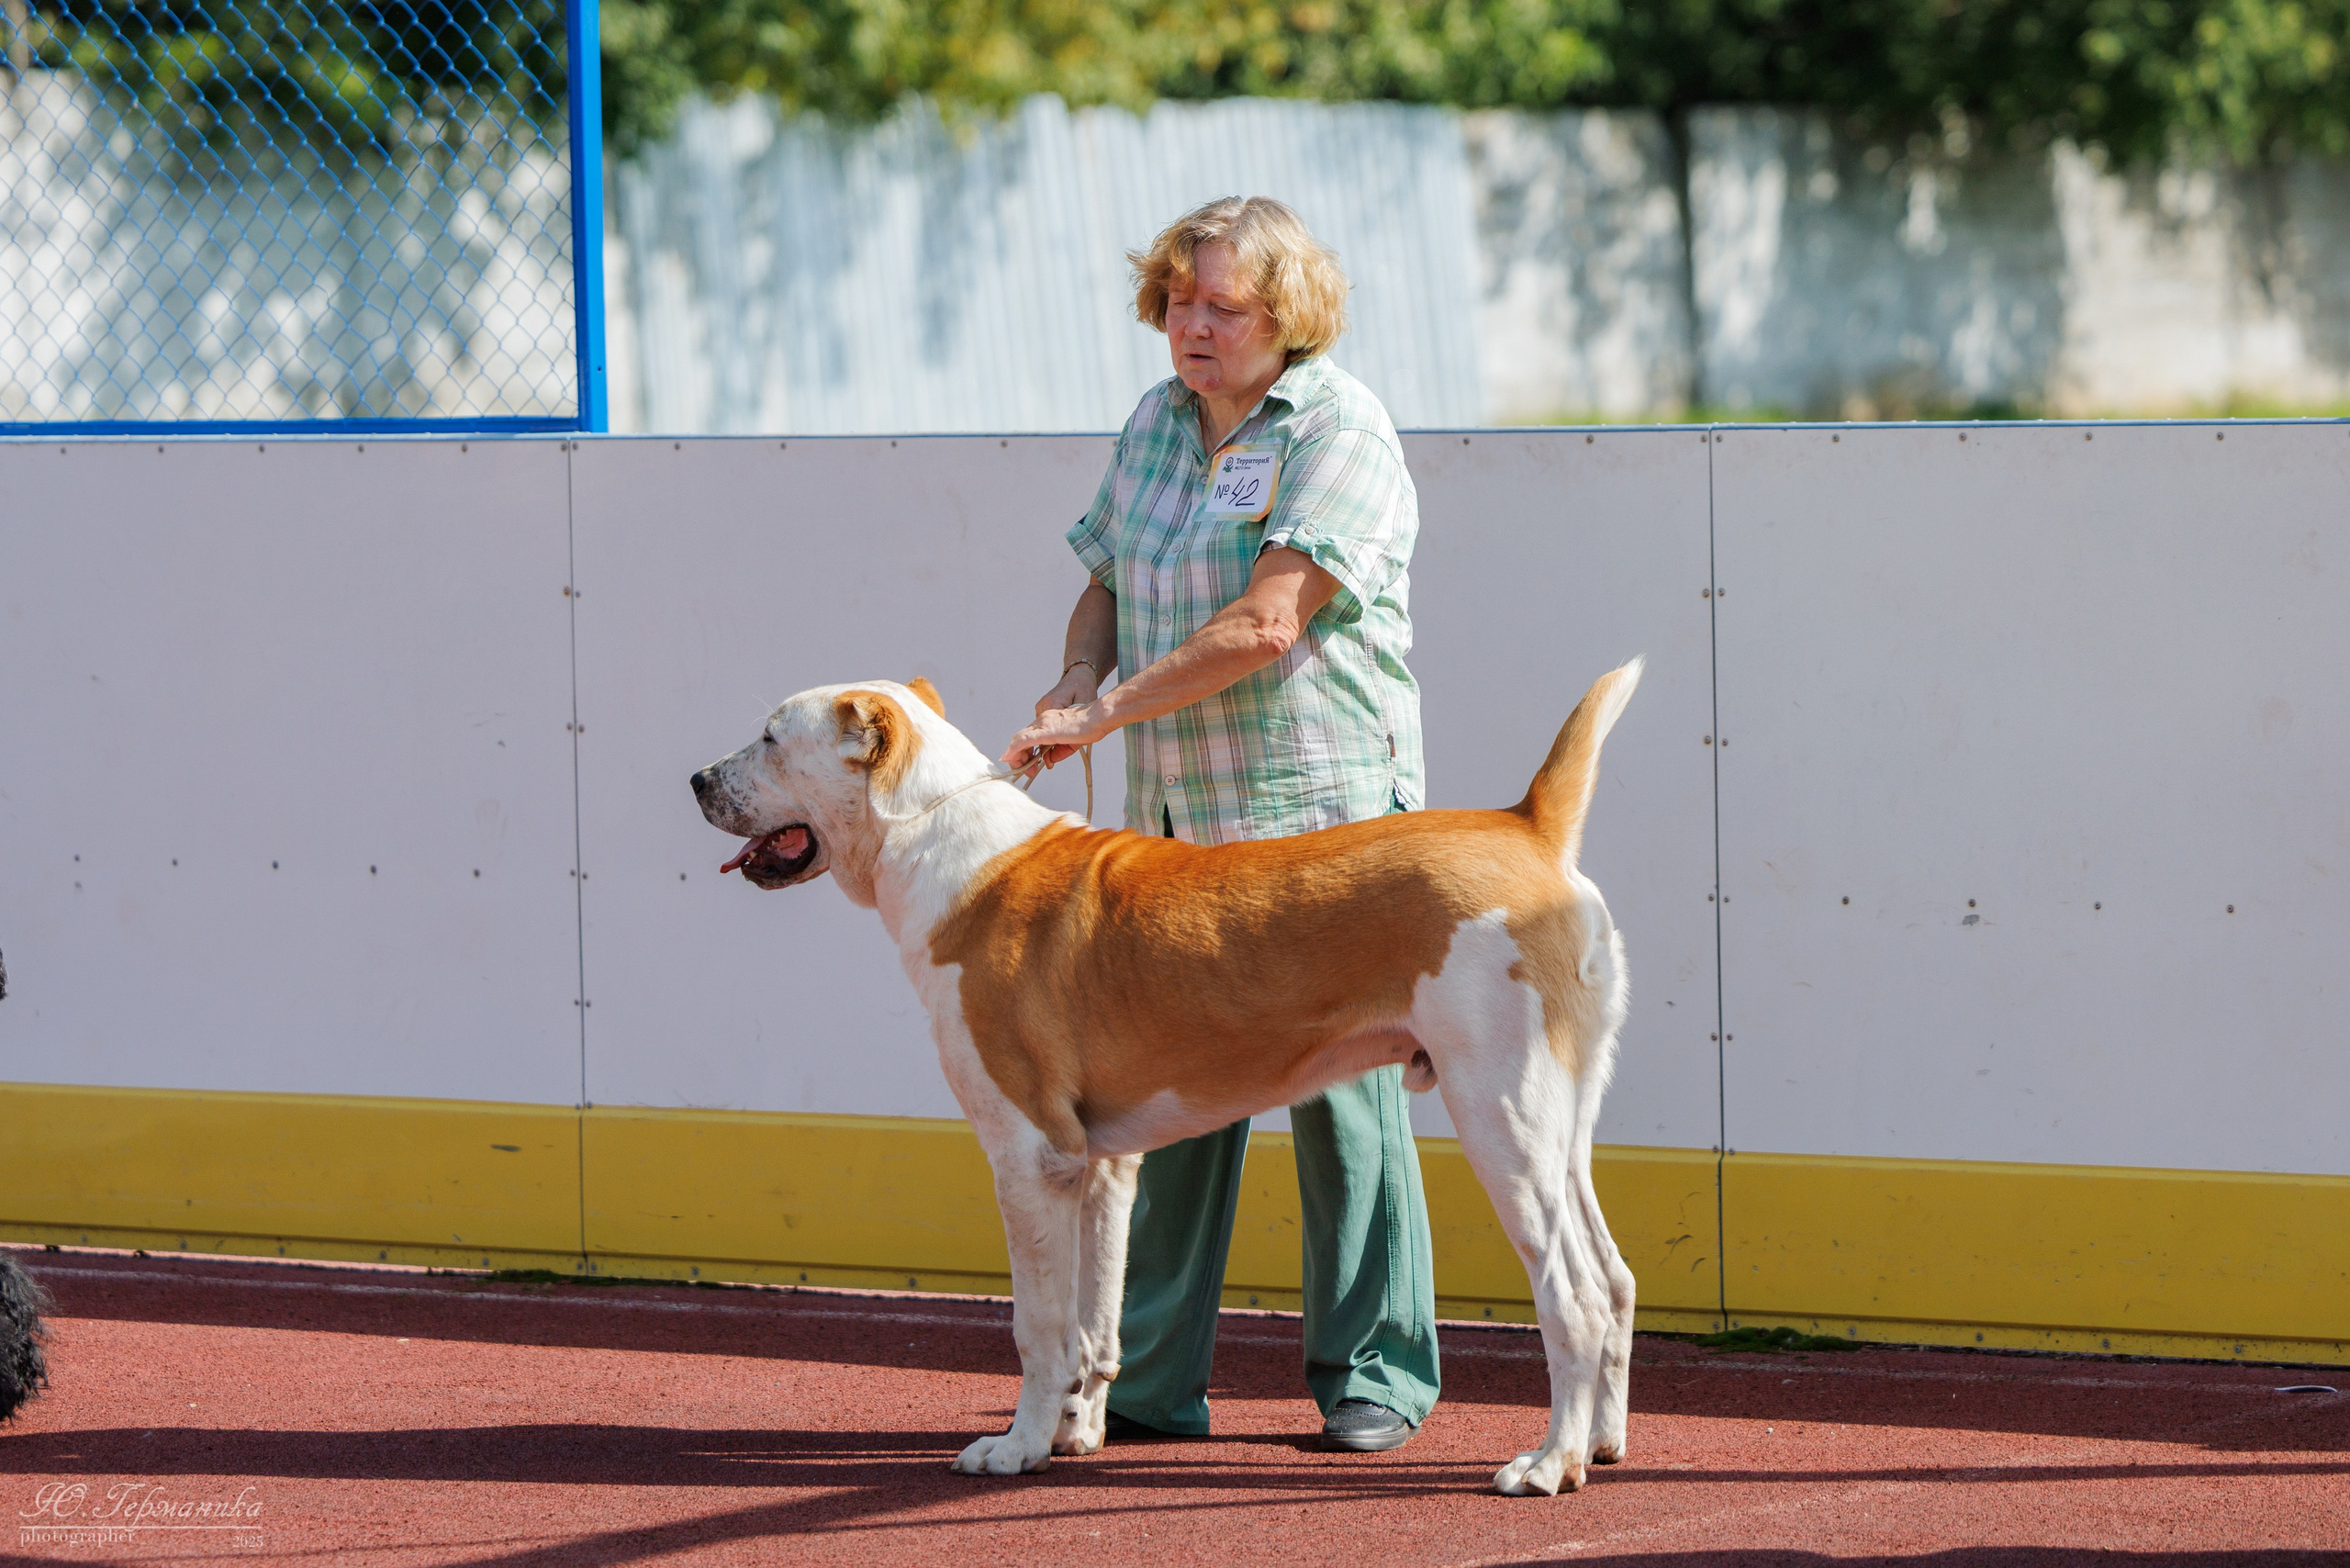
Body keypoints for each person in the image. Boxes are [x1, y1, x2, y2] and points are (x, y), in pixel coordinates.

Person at [1001, 196, 1438, 1453]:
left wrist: (1109, 709)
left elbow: (1268, 625)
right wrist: (1080, 678)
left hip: (1323, 820)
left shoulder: (1339, 424)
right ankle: (1142, 1381)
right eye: (1181, 300)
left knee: (1346, 1091)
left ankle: (1376, 1378)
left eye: (1223, 307)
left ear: (1283, 315)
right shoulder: (1154, 423)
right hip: (1181, 816)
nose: (1193, 324)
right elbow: (1104, 582)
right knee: (1161, 1090)